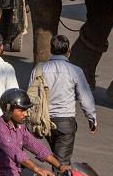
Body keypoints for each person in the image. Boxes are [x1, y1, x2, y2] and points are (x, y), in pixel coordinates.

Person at [33, 35, 97, 166]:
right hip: (65, 123)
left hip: (45, 121)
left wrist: (32, 123)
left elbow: (33, 96)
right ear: (69, 49)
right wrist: (92, 119)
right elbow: (85, 98)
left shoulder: (39, 70)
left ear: (51, 50)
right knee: (62, 163)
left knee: (57, 159)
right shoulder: (75, 71)